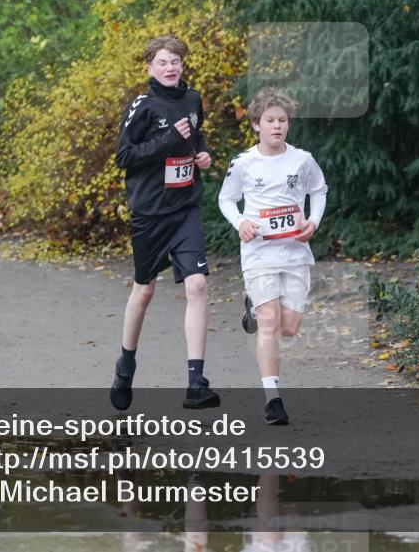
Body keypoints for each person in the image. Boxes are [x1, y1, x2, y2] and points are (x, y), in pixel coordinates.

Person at [111, 34, 219, 411]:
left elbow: (196, 137)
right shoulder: (142, 105)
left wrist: (202, 153)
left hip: (184, 207)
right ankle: (126, 365)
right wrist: (169, 139)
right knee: (145, 291)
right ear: (150, 68)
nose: (170, 67)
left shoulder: (192, 100)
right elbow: (124, 156)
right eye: (162, 62)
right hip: (150, 212)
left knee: (198, 285)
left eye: (175, 61)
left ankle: (196, 382)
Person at [218, 88, 328, 424]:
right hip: (259, 253)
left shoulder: (302, 159)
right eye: (270, 120)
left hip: (295, 252)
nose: (277, 126)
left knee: (289, 328)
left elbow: (318, 190)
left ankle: (252, 307)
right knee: (269, 323)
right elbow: (226, 199)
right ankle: (273, 399)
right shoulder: (244, 163)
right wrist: (241, 223)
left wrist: (313, 221)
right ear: (256, 125)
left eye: (282, 120)